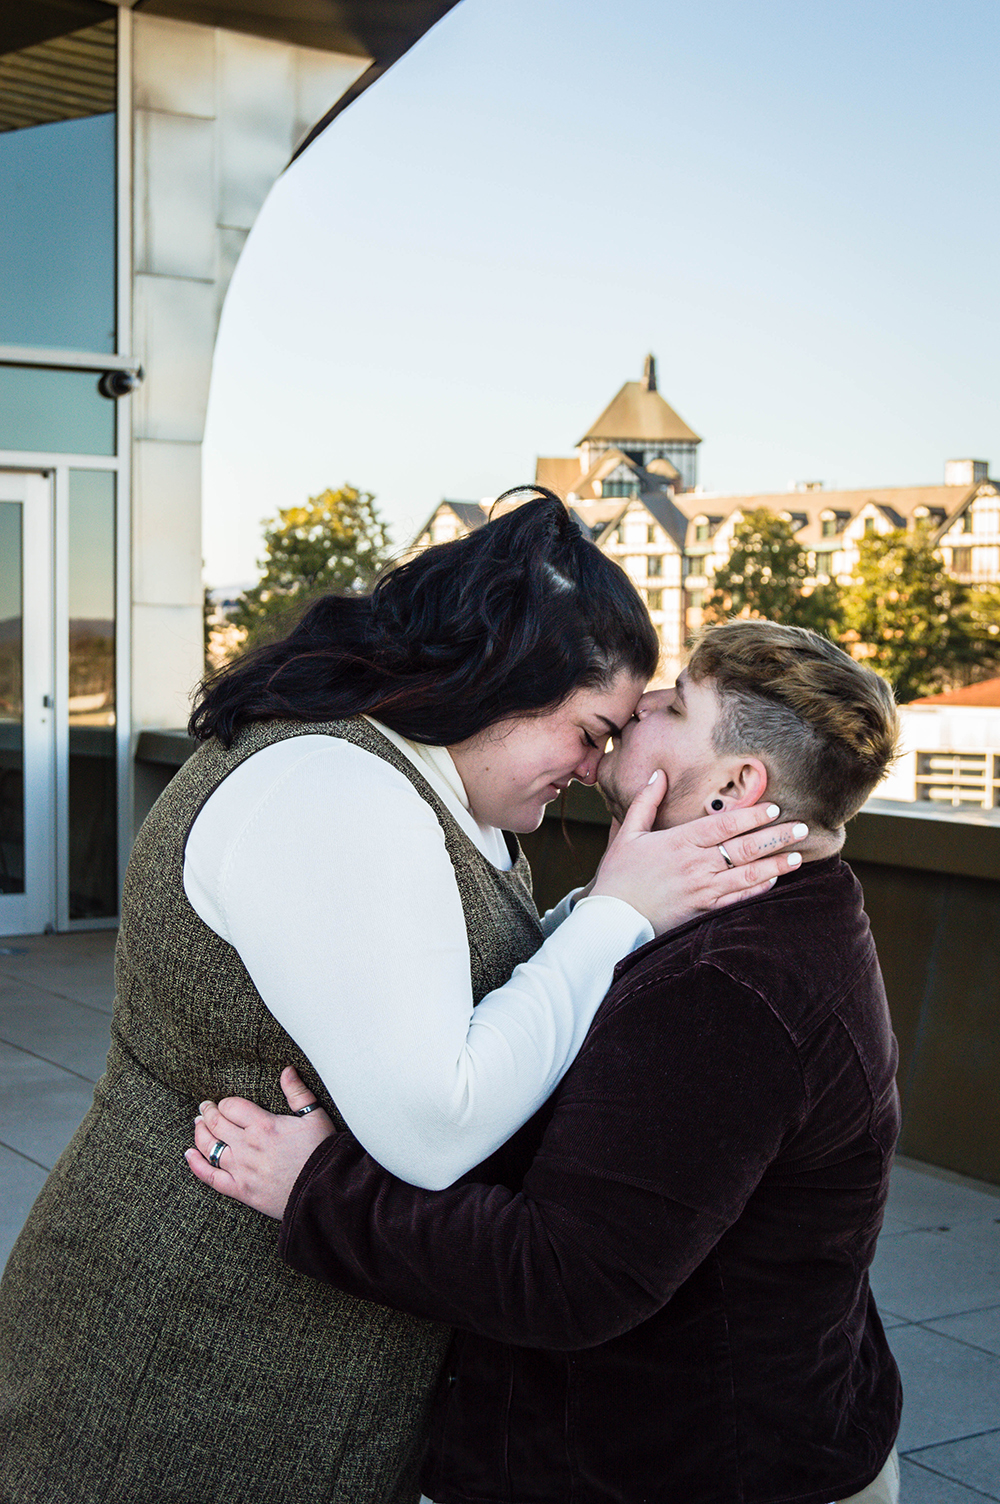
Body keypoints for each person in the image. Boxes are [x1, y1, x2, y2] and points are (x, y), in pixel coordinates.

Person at [0, 494, 802, 1504]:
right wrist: (614, 918)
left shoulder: (433, 788)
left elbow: (463, 979)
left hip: (295, 1369)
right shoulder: (331, 791)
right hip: (177, 1367)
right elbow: (433, 1125)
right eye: (589, 731)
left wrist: (601, 909)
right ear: (504, 678)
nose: (599, 767)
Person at [189, 618, 904, 1504]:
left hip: (680, 1471)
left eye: (674, 704)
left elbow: (566, 1276)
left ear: (733, 787)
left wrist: (317, 1191)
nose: (636, 705)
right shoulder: (780, 912)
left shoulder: (732, 989)